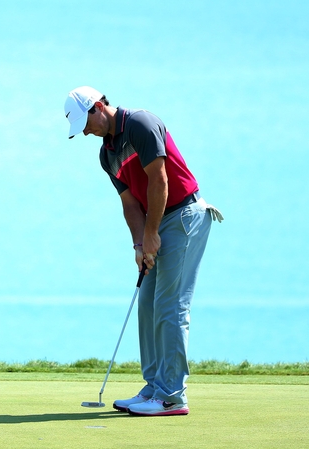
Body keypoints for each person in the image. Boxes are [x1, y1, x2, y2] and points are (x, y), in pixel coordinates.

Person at [64, 86, 223, 416]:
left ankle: (172, 396)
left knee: (170, 306)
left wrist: (152, 233)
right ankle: (154, 387)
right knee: (148, 305)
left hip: (183, 216)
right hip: (154, 222)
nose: (86, 132)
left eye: (85, 123)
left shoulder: (141, 123)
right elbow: (130, 205)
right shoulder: (106, 155)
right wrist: (140, 244)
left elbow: (160, 181)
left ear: (97, 106)